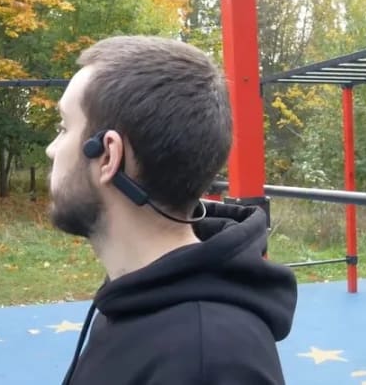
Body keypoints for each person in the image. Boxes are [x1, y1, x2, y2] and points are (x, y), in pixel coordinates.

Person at [45, 35, 298, 385]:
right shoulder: (135, 294)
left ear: (107, 156)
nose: (51, 149)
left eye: (63, 128)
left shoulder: (209, 360)